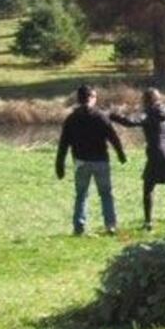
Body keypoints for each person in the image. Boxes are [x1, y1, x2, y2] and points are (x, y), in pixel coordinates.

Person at [112, 88, 165, 229]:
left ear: (147, 100)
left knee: (148, 189)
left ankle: (148, 222)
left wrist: (113, 116)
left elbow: (130, 122)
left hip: (157, 154)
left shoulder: (148, 113)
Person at [55, 84, 126, 236]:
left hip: (81, 162)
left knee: (81, 195)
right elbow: (113, 137)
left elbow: (63, 144)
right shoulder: (101, 116)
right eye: (95, 96)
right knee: (106, 194)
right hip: (101, 161)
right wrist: (121, 154)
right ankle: (110, 225)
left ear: (78, 99)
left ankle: (79, 227)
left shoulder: (71, 119)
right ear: (91, 98)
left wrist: (59, 165)